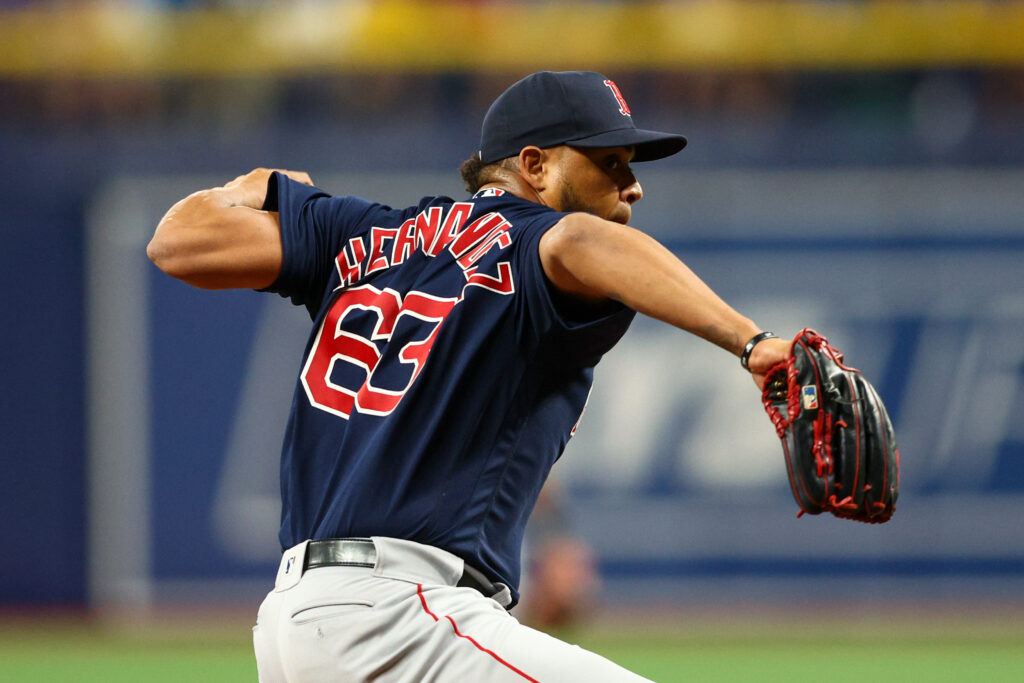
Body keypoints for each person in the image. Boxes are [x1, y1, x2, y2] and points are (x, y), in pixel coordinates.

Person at [148, 70, 791, 682]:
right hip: (403, 617)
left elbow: (177, 242)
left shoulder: (363, 234)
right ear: (534, 165)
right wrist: (752, 342)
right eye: (609, 162)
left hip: (295, 620)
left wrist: (258, 185)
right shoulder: (543, 242)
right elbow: (580, 244)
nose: (632, 186)